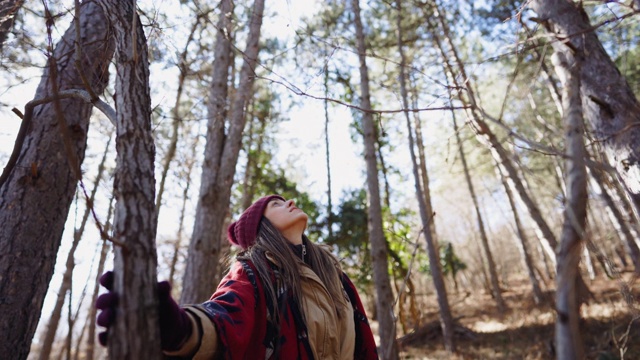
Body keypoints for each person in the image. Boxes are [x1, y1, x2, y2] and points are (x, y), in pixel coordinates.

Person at [96, 195, 379, 359]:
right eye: (277, 204)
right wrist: (179, 327)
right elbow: (225, 315)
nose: (291, 201)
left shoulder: (336, 277)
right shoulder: (254, 272)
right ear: (263, 228)